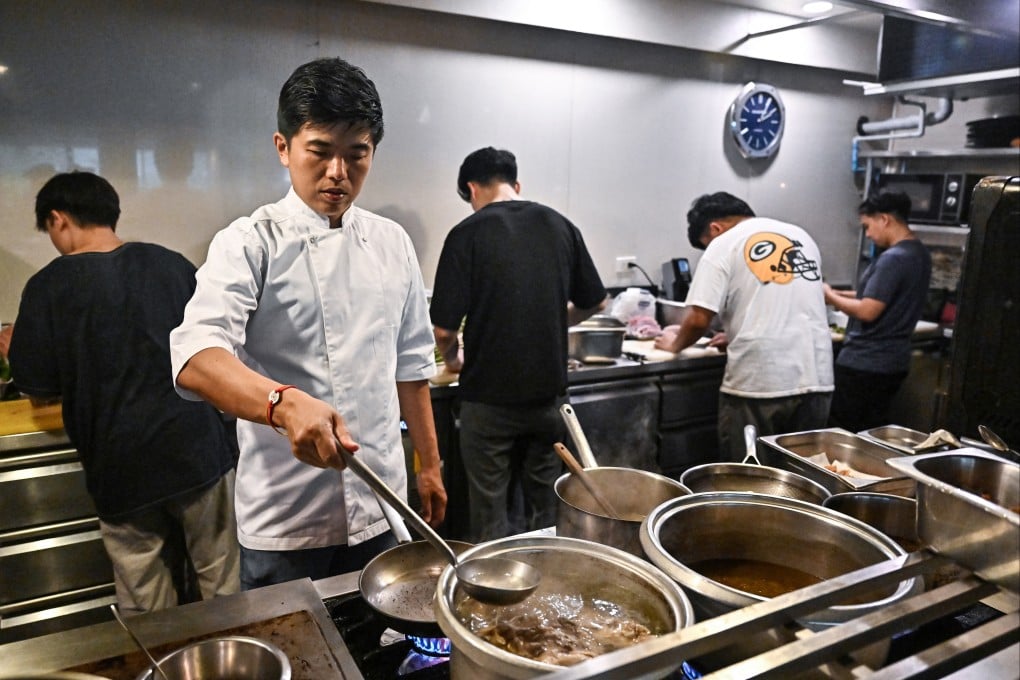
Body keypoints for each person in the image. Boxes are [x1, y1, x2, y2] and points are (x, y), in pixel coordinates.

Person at [169, 57, 447, 590]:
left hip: (384, 508)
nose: (338, 173)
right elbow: (196, 357)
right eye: (320, 151)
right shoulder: (250, 242)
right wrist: (281, 403)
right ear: (284, 148)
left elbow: (412, 364)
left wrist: (428, 465)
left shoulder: (392, 243)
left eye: (356, 154)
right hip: (285, 523)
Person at [8, 171, 239, 614]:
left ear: (58, 219)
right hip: (196, 453)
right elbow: (216, 349)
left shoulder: (47, 288)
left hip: (120, 467)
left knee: (146, 598)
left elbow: (38, 386)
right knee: (223, 582)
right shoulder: (171, 265)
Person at [430, 147, 608, 542]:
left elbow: (443, 330)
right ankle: (549, 584)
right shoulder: (561, 226)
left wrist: (454, 361)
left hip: (487, 404)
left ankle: (498, 596)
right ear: (516, 184)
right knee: (546, 510)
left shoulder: (466, 234)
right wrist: (550, 321)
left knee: (490, 514)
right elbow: (596, 300)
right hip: (548, 403)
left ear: (472, 189)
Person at [654, 192, 833, 461]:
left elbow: (697, 320)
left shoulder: (724, 243)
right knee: (801, 482)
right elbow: (783, 302)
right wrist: (738, 332)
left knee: (748, 480)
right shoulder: (800, 237)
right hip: (817, 379)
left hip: (759, 383)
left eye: (706, 243)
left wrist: (673, 343)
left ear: (715, 228)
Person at [824, 192, 932, 431]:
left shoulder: (893, 258)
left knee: (844, 431)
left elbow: (867, 310)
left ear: (884, 219)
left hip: (865, 363)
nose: (869, 235)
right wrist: (837, 295)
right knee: (870, 430)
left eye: (868, 226)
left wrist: (829, 295)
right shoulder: (919, 253)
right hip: (894, 362)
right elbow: (877, 297)